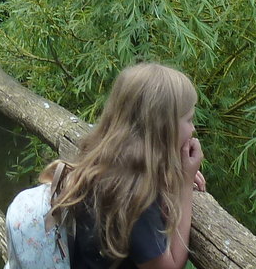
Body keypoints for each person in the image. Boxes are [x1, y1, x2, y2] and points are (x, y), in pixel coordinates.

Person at [45, 63, 206, 269]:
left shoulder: (106, 164)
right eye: (189, 119)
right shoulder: (135, 195)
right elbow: (170, 267)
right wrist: (184, 186)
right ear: (163, 128)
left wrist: (174, 175)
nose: (193, 129)